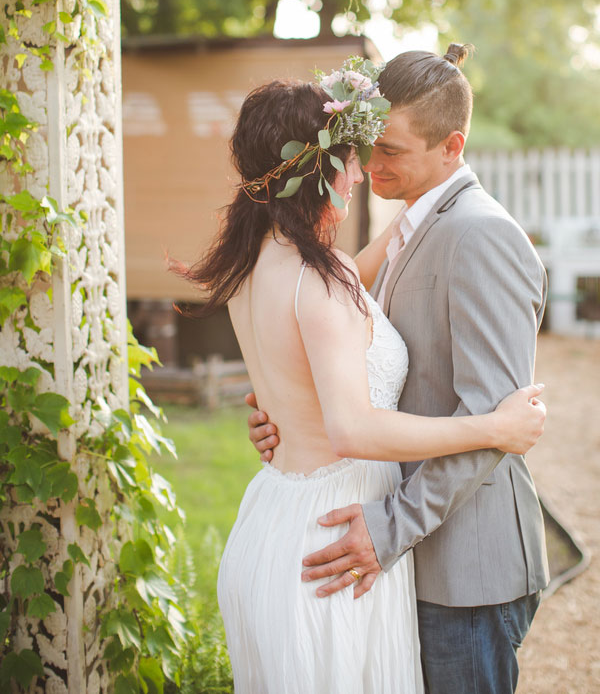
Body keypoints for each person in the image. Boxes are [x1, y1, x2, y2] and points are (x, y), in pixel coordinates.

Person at [183, 59, 546, 694]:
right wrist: (291, 414)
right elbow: (344, 387)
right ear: (313, 164)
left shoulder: (473, 236)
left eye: (385, 148)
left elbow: (354, 297)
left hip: (424, 553)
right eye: (356, 150)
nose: (365, 167)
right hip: (340, 535)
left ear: (451, 145)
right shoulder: (327, 270)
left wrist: (294, 420)